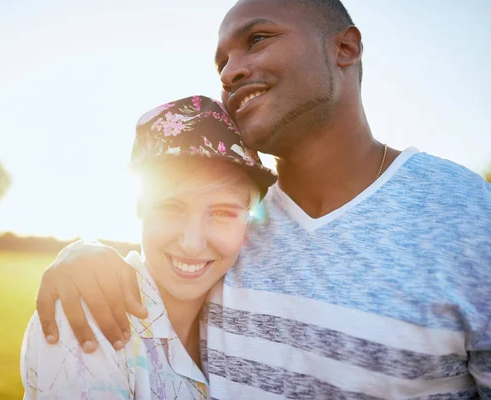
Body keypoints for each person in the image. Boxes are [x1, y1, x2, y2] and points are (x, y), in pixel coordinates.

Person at [34, 0, 491, 398]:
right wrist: (83, 254)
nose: (230, 72)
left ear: (345, 48)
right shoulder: (242, 227)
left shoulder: (470, 220)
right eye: (221, 63)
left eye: (257, 39)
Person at [20, 95, 277, 399]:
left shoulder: (249, 319)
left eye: (222, 213)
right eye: (170, 207)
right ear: (140, 208)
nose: (191, 243)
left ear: (249, 220)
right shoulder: (88, 316)